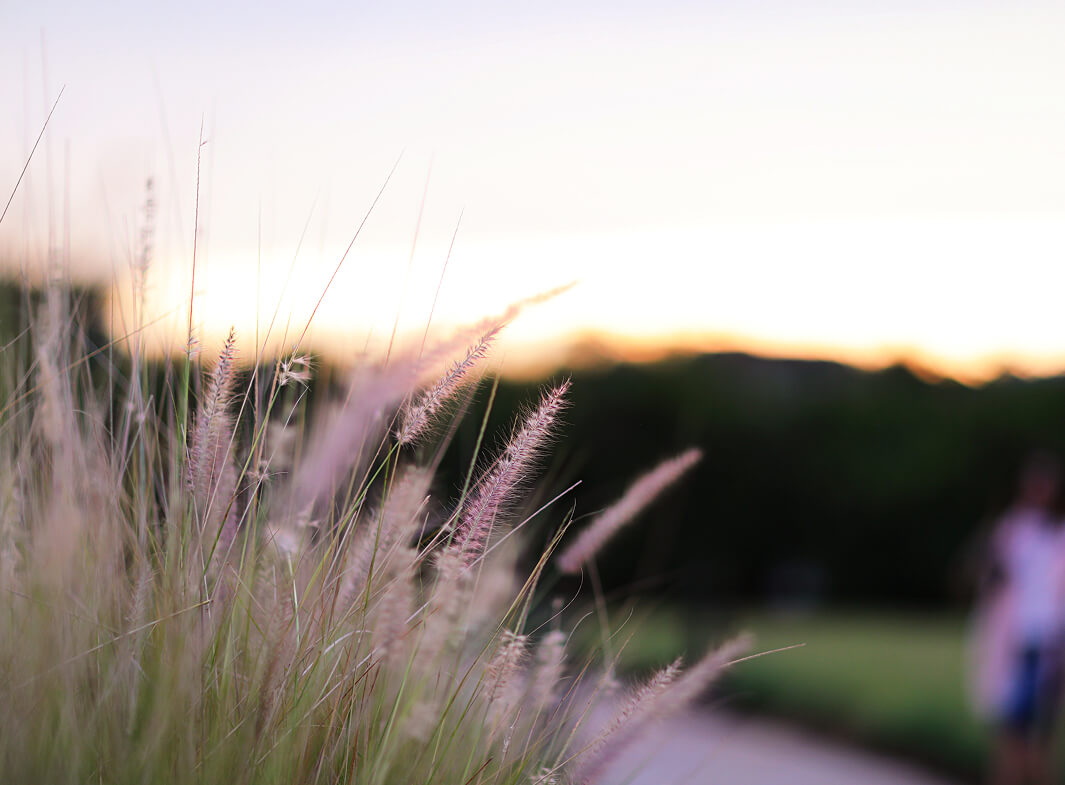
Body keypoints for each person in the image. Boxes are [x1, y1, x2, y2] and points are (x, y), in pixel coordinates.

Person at [971, 453, 1065, 785]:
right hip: (1015, 644)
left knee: (1041, 742)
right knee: (1010, 738)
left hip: (1050, 645)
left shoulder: (1057, 536)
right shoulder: (1009, 531)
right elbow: (986, 583)